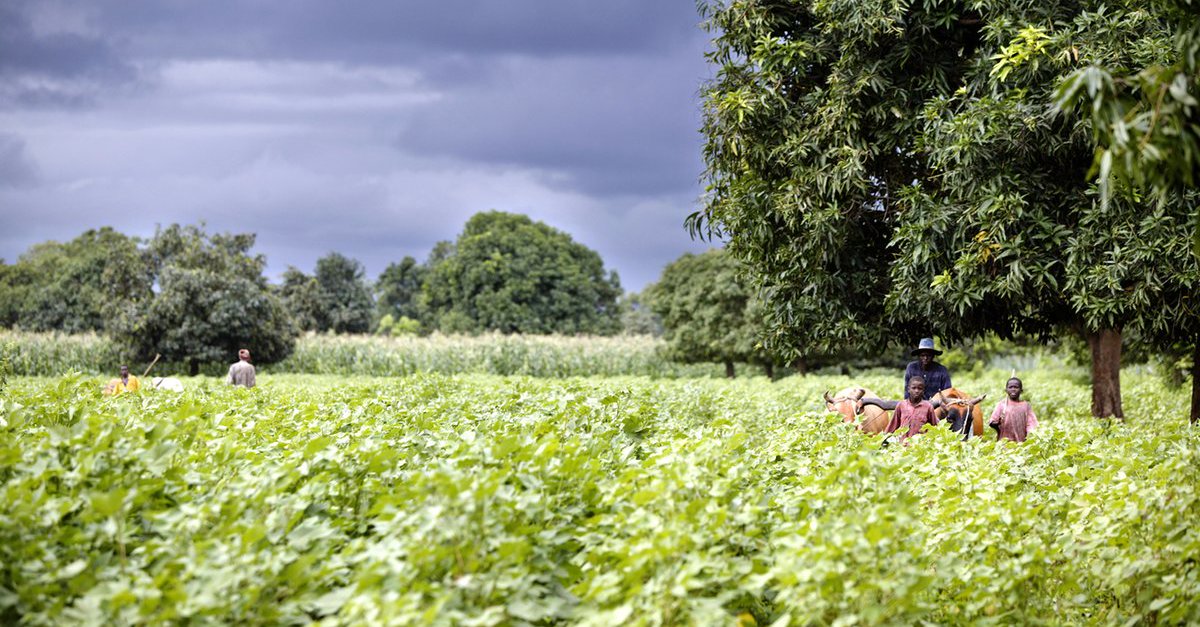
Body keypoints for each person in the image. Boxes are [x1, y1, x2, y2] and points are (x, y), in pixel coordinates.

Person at [885, 375, 939, 443]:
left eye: (920, 388)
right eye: (913, 388)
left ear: (923, 391)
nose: (916, 391)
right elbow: (892, 426)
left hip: (921, 446)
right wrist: (884, 439)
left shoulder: (928, 407)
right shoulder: (901, 405)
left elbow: (935, 427)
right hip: (903, 446)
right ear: (908, 389)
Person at [989, 377, 1039, 442]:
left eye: (1016, 387)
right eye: (1010, 387)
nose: (1013, 389)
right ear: (1006, 390)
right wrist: (997, 423)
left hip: (1021, 442)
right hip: (1004, 443)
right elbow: (992, 422)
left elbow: (1031, 423)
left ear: (1021, 390)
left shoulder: (1026, 406)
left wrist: (1030, 435)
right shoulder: (1001, 405)